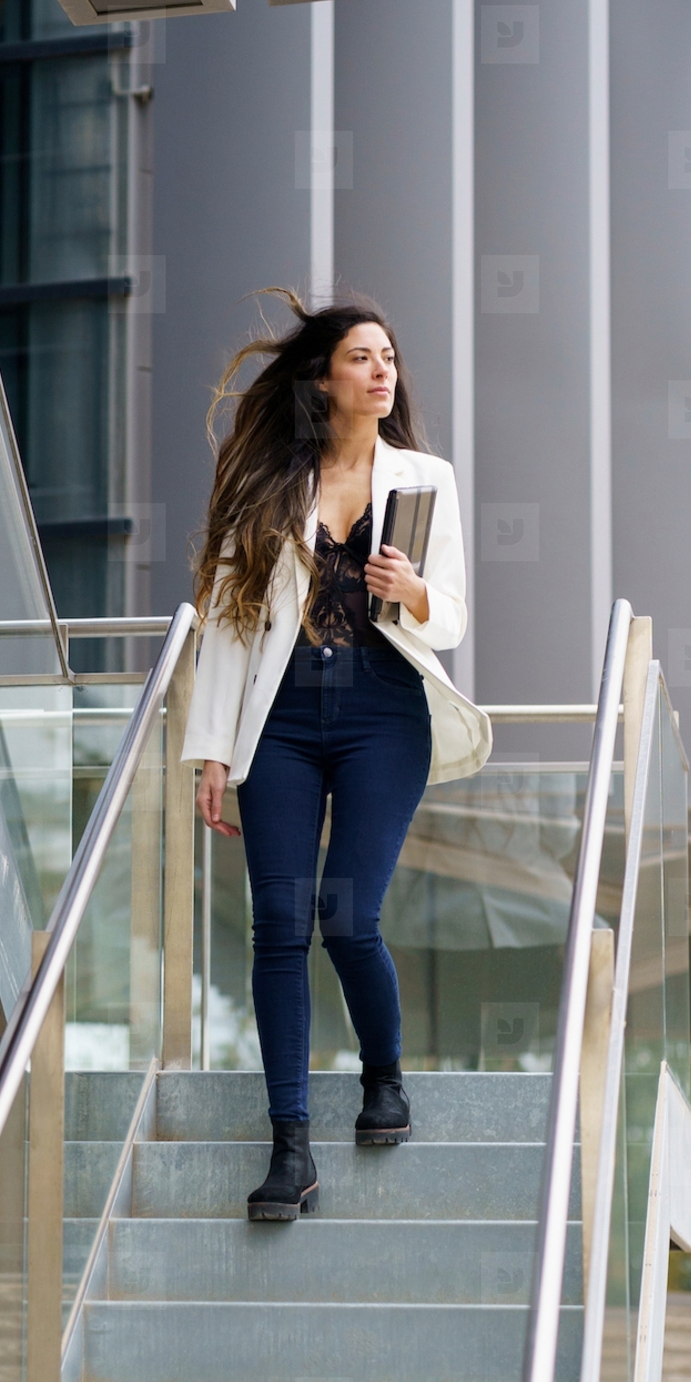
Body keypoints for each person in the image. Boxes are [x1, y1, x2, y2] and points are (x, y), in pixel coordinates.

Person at [183, 292, 492, 1222]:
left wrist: (416, 592)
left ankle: (384, 1078)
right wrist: (211, 749)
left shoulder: (425, 478)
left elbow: (459, 613)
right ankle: (290, 1149)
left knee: (347, 915)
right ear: (325, 377)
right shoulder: (269, 483)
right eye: (362, 356)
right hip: (278, 718)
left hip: (382, 712)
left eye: (389, 356)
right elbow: (231, 627)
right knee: (276, 924)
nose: (383, 369)